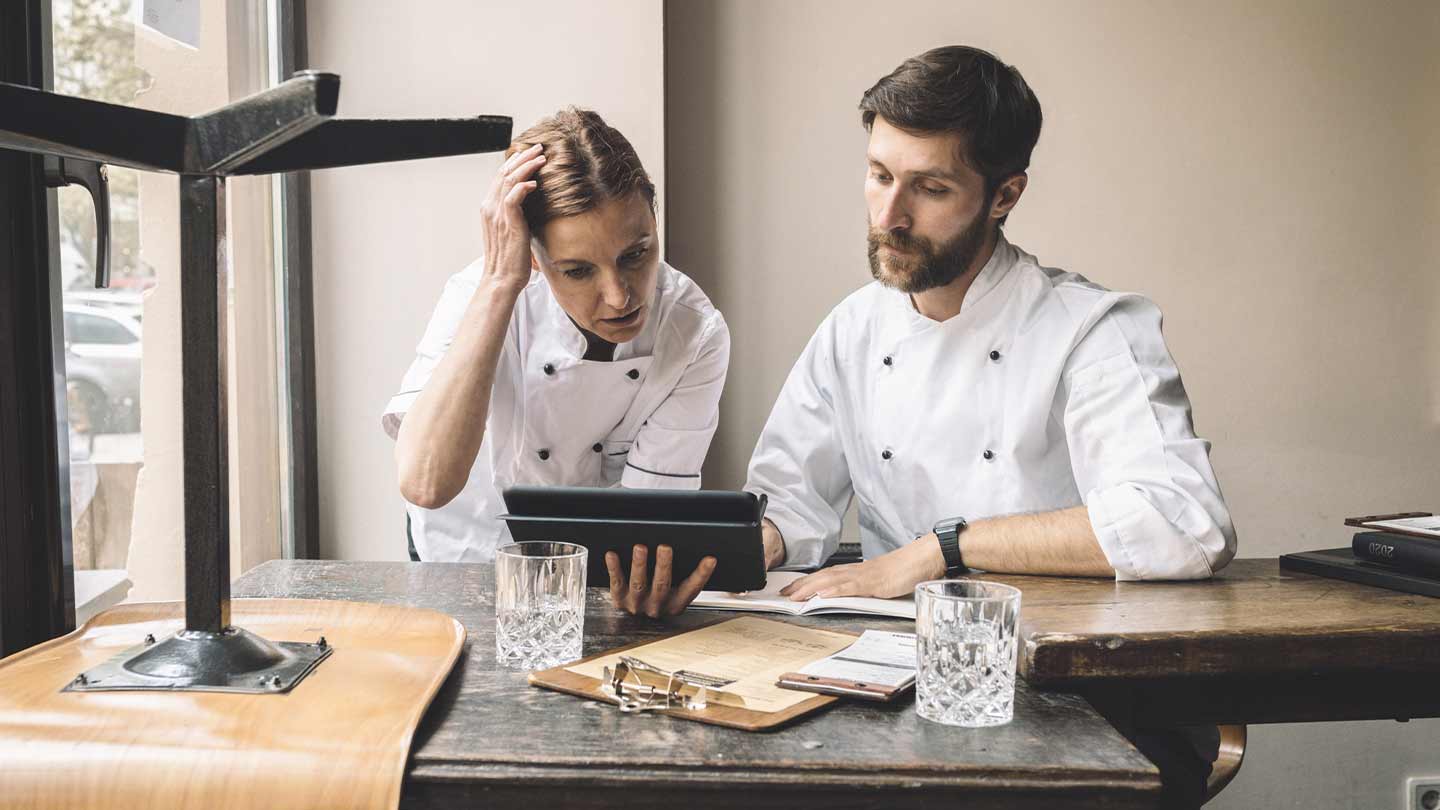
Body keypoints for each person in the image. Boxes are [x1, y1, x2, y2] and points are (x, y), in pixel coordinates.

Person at [743, 46, 1235, 808]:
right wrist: (734, 547)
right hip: (896, 688)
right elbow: (790, 504)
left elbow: (1182, 522)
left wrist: (939, 552)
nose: (889, 216)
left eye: (930, 188)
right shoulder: (851, 330)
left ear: (1005, 195)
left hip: (1081, 700)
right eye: (879, 175)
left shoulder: (1090, 330)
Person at [385, 108, 727, 617]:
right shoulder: (478, 293)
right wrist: (501, 283)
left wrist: (650, 581)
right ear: (534, 258)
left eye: (636, 254)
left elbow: (648, 522)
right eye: (578, 270)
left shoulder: (693, 331)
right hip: (463, 557)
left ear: (655, 221)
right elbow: (426, 482)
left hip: (592, 575)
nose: (619, 296)